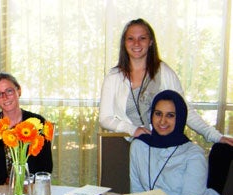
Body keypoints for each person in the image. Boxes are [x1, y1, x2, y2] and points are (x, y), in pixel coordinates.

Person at [100, 18, 233, 146]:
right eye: (131, 38)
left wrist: (215, 136)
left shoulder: (165, 73)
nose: (136, 43)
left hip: (162, 148)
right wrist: (133, 130)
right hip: (125, 146)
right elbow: (105, 118)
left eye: (142, 38)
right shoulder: (113, 77)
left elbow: (185, 111)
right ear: (124, 42)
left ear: (151, 42)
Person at [130, 90, 231, 195]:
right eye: (158, 113)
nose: (162, 121)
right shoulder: (139, 146)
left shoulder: (193, 154)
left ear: (181, 118)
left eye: (170, 115)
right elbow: (136, 192)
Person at [0, 73, 53, 186]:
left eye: (9, 91)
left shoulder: (37, 123)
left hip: (31, 189)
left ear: (19, 91)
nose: (5, 97)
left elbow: (46, 166)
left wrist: (26, 182)